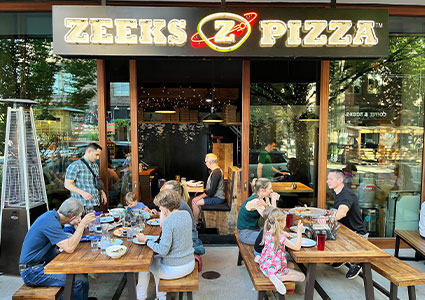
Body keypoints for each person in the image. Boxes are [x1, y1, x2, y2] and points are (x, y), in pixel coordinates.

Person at [19, 198, 96, 300]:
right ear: (72, 217)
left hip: (44, 264)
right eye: (80, 217)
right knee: (78, 281)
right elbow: (69, 247)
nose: (80, 220)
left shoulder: (53, 217)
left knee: (81, 272)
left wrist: (78, 228)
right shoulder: (50, 222)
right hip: (32, 271)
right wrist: (81, 225)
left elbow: (64, 244)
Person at [136, 190, 195, 300]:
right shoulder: (186, 214)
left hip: (175, 268)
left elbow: (163, 250)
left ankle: (141, 297)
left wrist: (145, 240)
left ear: (165, 207)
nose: (159, 209)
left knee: (143, 266)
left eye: (160, 208)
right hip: (189, 263)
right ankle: (160, 296)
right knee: (155, 260)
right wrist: (163, 216)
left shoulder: (168, 221)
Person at [327, 169, 368, 280]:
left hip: (357, 234)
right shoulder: (338, 192)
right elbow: (338, 211)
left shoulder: (346, 195)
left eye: (331, 179)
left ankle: (358, 261)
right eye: (327, 179)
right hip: (345, 230)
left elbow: (342, 212)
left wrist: (328, 218)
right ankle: (342, 256)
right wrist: (330, 213)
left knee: (326, 233)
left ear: (340, 180)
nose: (327, 181)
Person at [259, 208, 305, 295]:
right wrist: (299, 232)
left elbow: (278, 234)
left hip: (266, 265)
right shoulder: (281, 237)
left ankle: (278, 277)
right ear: (280, 223)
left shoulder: (269, 232)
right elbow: (297, 247)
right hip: (275, 269)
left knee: (291, 265)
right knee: (302, 277)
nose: (285, 223)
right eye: (285, 221)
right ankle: (279, 279)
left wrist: (283, 233)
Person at [162, 180, 205, 255]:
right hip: (186, 236)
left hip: (190, 239)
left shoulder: (179, 205)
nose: (165, 194)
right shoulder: (178, 203)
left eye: (168, 191)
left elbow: (163, 224)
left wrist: (162, 208)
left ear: (176, 193)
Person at [237, 178, 279, 245]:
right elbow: (272, 218)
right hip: (246, 233)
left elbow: (270, 210)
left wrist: (266, 204)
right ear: (263, 190)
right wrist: (274, 201)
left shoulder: (261, 197)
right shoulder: (256, 202)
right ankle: (259, 255)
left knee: (276, 233)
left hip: (254, 230)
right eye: (270, 189)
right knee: (274, 239)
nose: (272, 191)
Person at [64, 143, 107, 209]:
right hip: (82, 204)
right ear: (89, 151)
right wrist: (82, 193)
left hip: (96, 203)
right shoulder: (75, 165)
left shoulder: (95, 166)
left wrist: (102, 192)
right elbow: (67, 184)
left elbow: (95, 182)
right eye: (96, 154)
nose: (98, 158)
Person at [192, 153, 225, 228]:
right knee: (196, 198)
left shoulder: (216, 173)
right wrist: (201, 192)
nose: (205, 164)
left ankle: (196, 223)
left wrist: (199, 197)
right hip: (216, 196)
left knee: (195, 202)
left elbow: (211, 191)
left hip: (218, 198)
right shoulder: (215, 171)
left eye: (206, 162)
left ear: (210, 162)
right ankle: (200, 220)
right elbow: (211, 189)